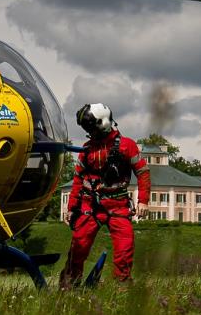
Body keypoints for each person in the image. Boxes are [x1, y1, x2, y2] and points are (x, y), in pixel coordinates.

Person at [60, 102, 151, 286]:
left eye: (91, 129)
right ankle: (69, 286)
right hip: (89, 206)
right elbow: (78, 180)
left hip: (118, 206)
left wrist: (143, 201)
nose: (90, 133)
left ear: (103, 123)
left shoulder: (128, 146)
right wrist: (71, 209)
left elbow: (143, 172)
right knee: (78, 247)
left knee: (124, 249)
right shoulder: (86, 150)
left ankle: (122, 287)